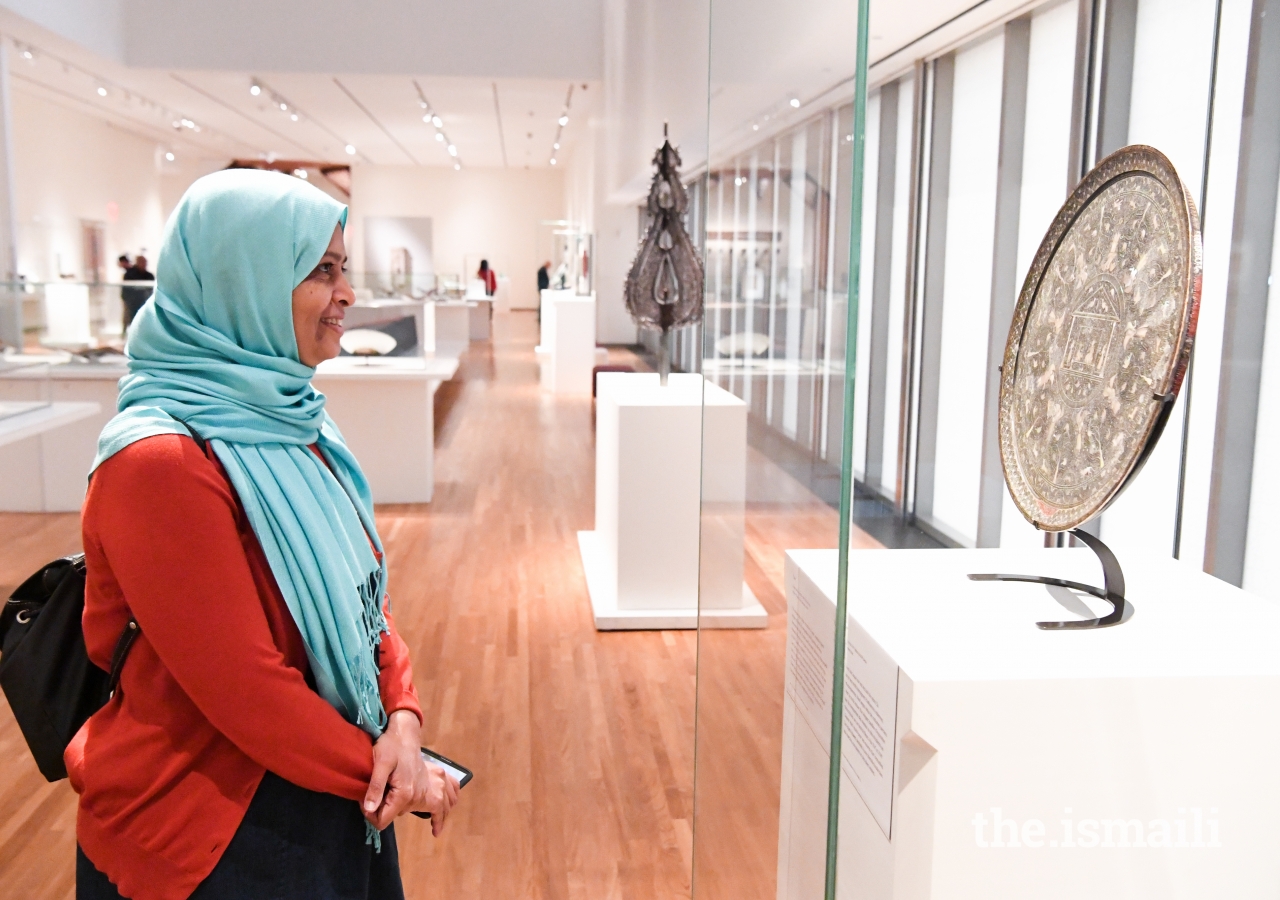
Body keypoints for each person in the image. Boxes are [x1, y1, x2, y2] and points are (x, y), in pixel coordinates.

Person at [72, 169, 459, 900]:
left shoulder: (300, 422)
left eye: (344, 269)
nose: (347, 293)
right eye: (321, 270)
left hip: (336, 790)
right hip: (209, 837)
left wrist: (403, 720)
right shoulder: (160, 462)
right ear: (241, 279)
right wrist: (396, 773)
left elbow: (364, 600)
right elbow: (246, 692)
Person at [120, 254, 154, 331]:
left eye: (145, 262)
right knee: (129, 318)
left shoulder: (149, 275)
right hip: (132, 303)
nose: (144, 264)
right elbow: (126, 290)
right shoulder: (130, 274)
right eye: (142, 262)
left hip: (144, 302)